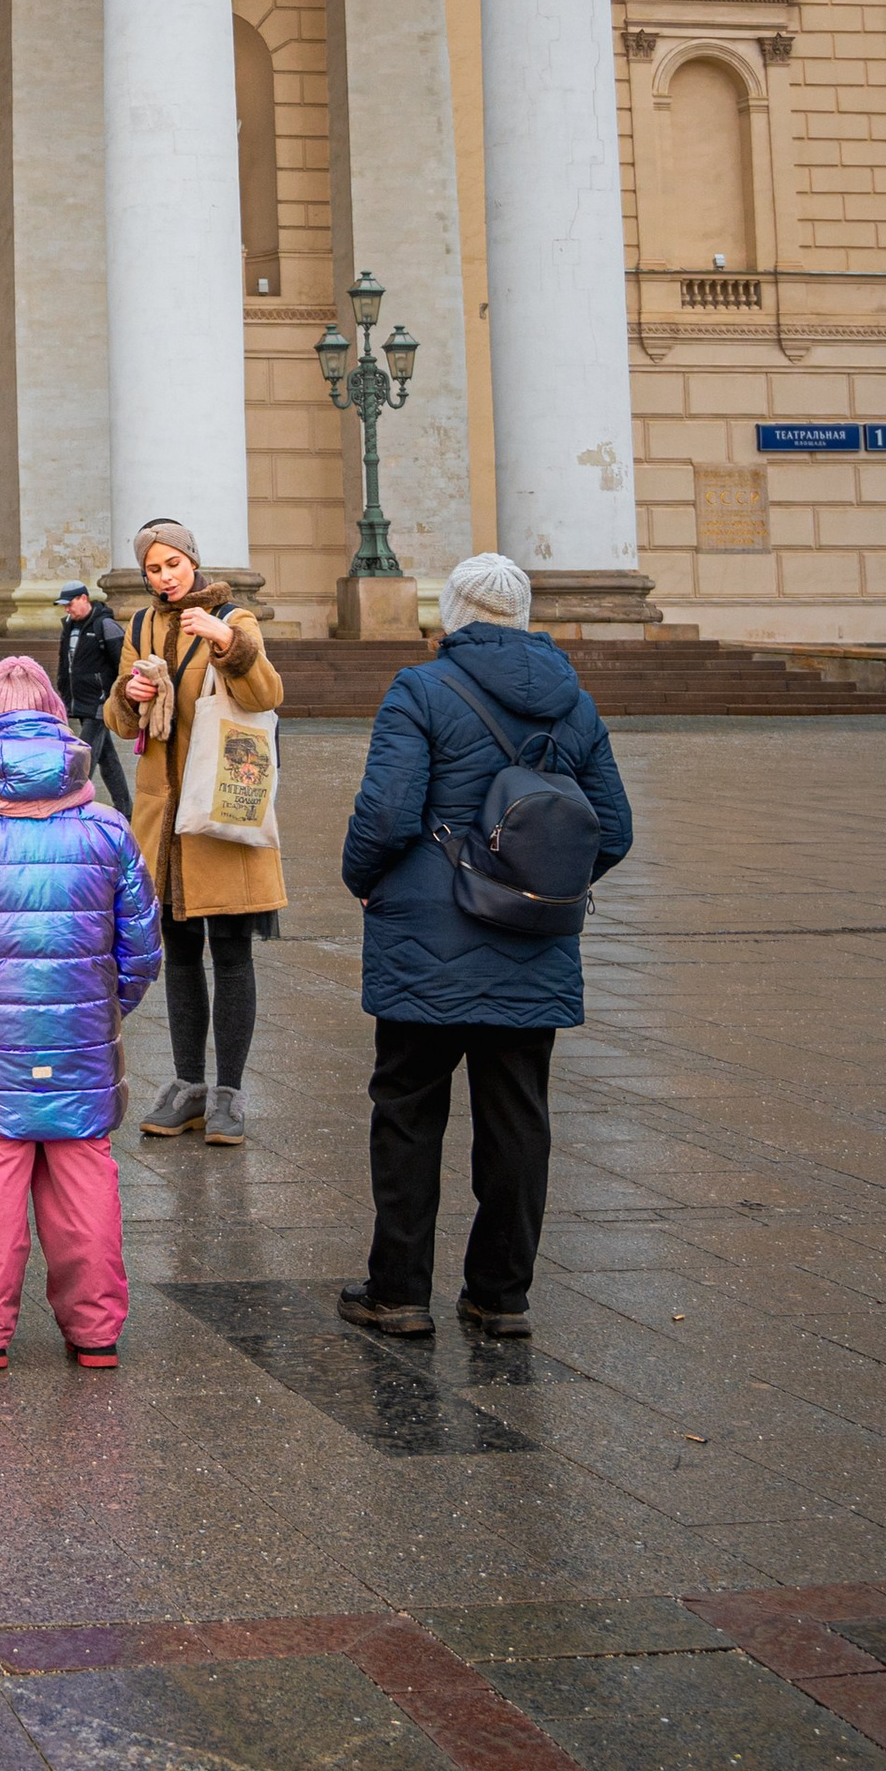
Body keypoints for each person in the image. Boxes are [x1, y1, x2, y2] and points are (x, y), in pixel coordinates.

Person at [336, 551, 632, 1341]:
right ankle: (500, 1297)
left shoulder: (421, 689)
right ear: (524, 616)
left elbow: (387, 814)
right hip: (532, 940)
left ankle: (399, 1292)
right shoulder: (575, 705)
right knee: (518, 1119)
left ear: (454, 615)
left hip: (425, 935)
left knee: (408, 1112)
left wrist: (363, 879)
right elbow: (613, 829)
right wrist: (542, 884)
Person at [0, 695, 160, 1370]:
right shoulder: (108, 831)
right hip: (81, 1040)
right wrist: (98, 1014)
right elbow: (142, 950)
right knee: (86, 1175)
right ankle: (96, 1330)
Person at [106, 517, 285, 1145]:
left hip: (222, 811)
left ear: (192, 560)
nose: (165, 578)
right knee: (180, 957)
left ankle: (229, 1094)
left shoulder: (235, 618)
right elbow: (118, 720)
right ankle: (188, 1086)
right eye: (154, 569)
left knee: (231, 955)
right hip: (165, 824)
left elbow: (266, 694)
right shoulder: (139, 626)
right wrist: (130, 693)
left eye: (173, 565)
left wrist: (226, 643)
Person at [55, 581, 132, 816]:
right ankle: (126, 809)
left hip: (101, 703)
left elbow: (124, 664)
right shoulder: (69, 626)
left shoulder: (105, 625)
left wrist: (117, 697)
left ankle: (71, 805)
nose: (67, 609)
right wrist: (65, 693)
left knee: (84, 756)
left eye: (70, 603)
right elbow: (65, 664)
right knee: (107, 758)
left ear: (84, 599)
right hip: (81, 701)